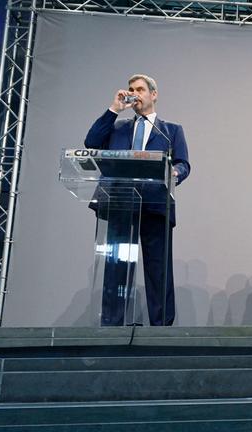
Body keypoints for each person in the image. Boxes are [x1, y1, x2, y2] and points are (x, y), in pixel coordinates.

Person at [84, 74, 190, 326]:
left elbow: (183, 164)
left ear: (153, 95)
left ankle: (161, 327)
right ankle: (112, 324)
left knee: (158, 270)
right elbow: (91, 142)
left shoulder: (170, 131)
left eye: (140, 89)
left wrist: (175, 172)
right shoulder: (117, 126)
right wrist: (113, 109)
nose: (135, 93)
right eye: (131, 89)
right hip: (121, 203)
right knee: (116, 268)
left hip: (155, 206)